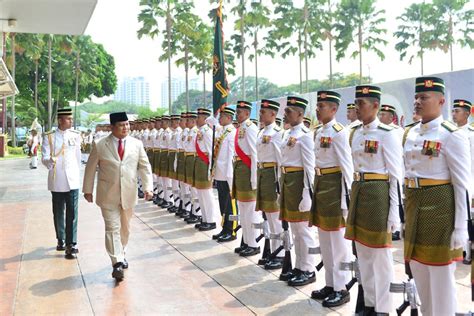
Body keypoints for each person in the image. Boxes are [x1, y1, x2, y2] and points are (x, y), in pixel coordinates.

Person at [403, 78, 471, 315]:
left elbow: (462, 184)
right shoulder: (410, 133)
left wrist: (461, 227)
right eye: (417, 97)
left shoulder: (451, 135)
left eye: (424, 98)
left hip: (441, 213)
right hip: (414, 211)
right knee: (420, 274)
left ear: (441, 101)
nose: (418, 101)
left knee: (441, 280)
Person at [344, 85, 403, 315]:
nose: (357, 108)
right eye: (356, 103)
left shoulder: (387, 134)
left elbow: (396, 175)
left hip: (379, 195)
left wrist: (394, 211)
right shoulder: (355, 132)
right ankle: (369, 304)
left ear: (375, 106)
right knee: (363, 254)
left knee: (380, 256)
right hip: (359, 192)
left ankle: (384, 307)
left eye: (362, 104)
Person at [83, 112, 153, 281]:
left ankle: (121, 252)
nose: (125, 128)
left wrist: (148, 187)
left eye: (127, 125)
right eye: (121, 125)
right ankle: (117, 263)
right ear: (112, 127)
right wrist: (88, 189)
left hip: (128, 194)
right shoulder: (100, 145)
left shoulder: (136, 144)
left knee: (125, 228)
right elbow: (91, 168)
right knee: (112, 228)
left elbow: (144, 167)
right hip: (108, 194)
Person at [309, 91, 353, 307]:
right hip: (321, 185)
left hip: (335, 188)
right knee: (325, 241)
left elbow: (347, 167)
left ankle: (341, 288)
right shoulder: (318, 132)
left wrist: (347, 200)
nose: (318, 109)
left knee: (337, 243)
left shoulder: (339, 132)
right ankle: (330, 283)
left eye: (322, 106)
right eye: (317, 106)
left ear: (334, 109)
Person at [279, 96, 317, 286]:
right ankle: (299, 265)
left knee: (304, 231)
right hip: (288, 183)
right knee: (295, 230)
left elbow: (309, 167)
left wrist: (307, 193)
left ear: (300, 114)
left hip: (299, 184)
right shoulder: (287, 134)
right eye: (286, 110)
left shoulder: (305, 135)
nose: (285, 114)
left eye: (289, 111)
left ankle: (309, 269)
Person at [41, 107, 82, 258]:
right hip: (57, 178)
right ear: (60, 120)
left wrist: (78, 177)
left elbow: (77, 157)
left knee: (72, 212)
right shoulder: (49, 136)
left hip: (72, 180)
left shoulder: (76, 135)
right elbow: (44, 156)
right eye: (68, 119)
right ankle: (61, 239)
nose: (71, 121)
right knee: (58, 211)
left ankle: (72, 243)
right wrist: (49, 161)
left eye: (71, 118)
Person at [255, 99, 285, 269]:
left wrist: (279, 183)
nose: (260, 115)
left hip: (272, 176)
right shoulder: (261, 132)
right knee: (268, 216)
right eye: (260, 112)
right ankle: (273, 252)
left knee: (275, 219)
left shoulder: (277, 133)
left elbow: (280, 160)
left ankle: (279, 253)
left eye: (263, 112)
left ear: (273, 114)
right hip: (263, 175)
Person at [233, 101, 261, 257]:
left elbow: (254, 154)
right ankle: (247, 241)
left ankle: (254, 243)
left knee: (250, 211)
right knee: (243, 211)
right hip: (240, 171)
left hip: (247, 171)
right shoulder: (240, 128)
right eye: (237, 111)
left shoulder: (250, 128)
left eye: (240, 112)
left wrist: (254, 178)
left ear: (248, 114)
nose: (237, 114)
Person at [208, 106, 237, 242]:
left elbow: (231, 154)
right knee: (222, 203)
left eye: (222, 116)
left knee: (230, 205)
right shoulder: (221, 131)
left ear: (229, 118)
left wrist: (230, 176)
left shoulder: (231, 132)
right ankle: (224, 228)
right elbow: (209, 121)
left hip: (227, 174)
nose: (220, 118)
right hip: (219, 173)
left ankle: (231, 230)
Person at [451, 99, 474, 265]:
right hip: (453, 181)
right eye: (453, 111)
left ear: (467, 114)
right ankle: (459, 248)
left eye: (457, 111)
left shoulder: (471, 134)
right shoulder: (449, 132)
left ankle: (468, 252)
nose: (453, 114)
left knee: (467, 215)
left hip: (469, 179)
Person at [194, 108, 218, 231]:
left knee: (207, 194)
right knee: (200, 193)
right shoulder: (200, 131)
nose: (196, 119)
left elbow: (210, 151)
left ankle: (211, 220)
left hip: (205, 164)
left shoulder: (208, 132)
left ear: (204, 118)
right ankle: (204, 218)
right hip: (199, 163)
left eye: (198, 117)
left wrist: (210, 169)